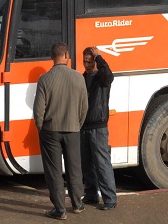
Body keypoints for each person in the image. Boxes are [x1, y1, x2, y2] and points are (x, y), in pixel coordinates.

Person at [33, 42, 88, 220]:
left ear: (52, 56)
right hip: (73, 129)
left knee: (54, 171)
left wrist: (41, 127)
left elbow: (38, 110)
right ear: (66, 55)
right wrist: (77, 124)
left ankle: (60, 209)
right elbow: (84, 107)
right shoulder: (78, 77)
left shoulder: (44, 79)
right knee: (74, 167)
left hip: (51, 130)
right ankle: (77, 203)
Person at [80, 47, 118, 211]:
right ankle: (91, 195)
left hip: (98, 126)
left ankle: (110, 199)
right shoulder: (82, 78)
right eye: (85, 61)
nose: (87, 65)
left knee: (102, 163)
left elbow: (109, 75)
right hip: (84, 126)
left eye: (90, 61)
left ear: (95, 61)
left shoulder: (102, 78)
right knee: (86, 164)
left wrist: (99, 56)